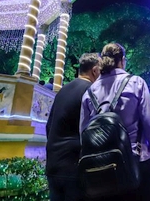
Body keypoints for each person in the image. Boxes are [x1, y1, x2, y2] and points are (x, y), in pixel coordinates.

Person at [80, 43, 150, 200]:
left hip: (102, 169)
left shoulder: (89, 92)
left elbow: (83, 133)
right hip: (137, 163)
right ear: (123, 60)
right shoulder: (136, 83)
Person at [46, 53, 101, 201]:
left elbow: (49, 126)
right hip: (74, 166)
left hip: (53, 163)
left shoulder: (63, 90)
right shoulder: (91, 91)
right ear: (95, 70)